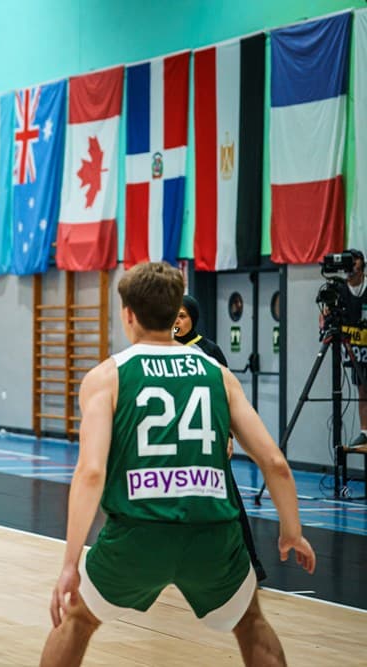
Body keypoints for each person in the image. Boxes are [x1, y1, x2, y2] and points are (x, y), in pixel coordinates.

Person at [40, 262, 316, 667]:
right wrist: (291, 531)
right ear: (175, 314)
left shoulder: (108, 376)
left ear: (128, 313)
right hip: (213, 535)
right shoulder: (218, 374)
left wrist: (69, 564)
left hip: (138, 532)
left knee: (77, 620)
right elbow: (274, 462)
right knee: (251, 622)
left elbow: (92, 472)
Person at [174, 294, 266, 582]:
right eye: (173, 316)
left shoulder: (209, 351)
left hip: (206, 437)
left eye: (182, 316)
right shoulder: (160, 350)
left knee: (229, 502)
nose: (176, 321)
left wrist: (227, 434)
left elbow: (226, 398)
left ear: (193, 319)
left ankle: (250, 565)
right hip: (174, 441)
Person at [333, 249, 367, 449]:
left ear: (362, 265)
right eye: (348, 263)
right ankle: (365, 431)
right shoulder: (340, 290)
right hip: (355, 350)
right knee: (362, 390)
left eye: (354, 263)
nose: (351, 267)